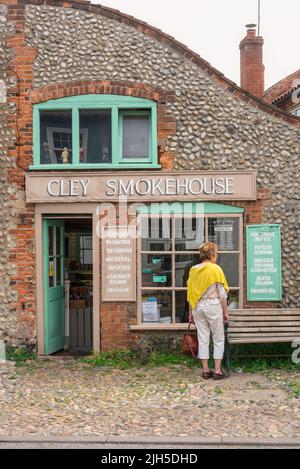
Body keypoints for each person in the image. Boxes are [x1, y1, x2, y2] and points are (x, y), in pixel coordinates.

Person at [187, 242, 229, 380]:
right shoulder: (216, 269)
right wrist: (225, 312)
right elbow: (222, 294)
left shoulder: (193, 270)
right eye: (215, 253)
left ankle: (205, 370)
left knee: (203, 338)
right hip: (213, 305)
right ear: (212, 254)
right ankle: (217, 370)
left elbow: (191, 293)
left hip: (198, 307)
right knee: (218, 338)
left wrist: (191, 312)